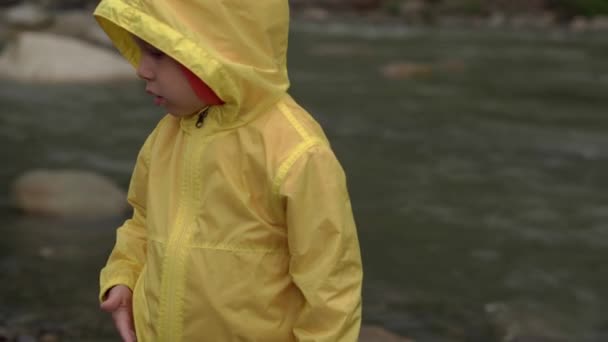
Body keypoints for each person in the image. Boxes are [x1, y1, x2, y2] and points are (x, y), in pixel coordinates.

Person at [94, 0, 363, 341]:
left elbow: (331, 285)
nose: (142, 69)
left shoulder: (297, 153)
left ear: (214, 54)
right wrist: (124, 277)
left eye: (157, 54)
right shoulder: (167, 136)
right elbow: (143, 221)